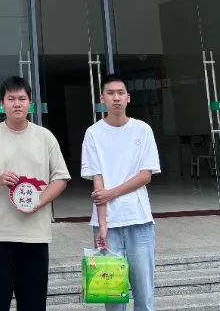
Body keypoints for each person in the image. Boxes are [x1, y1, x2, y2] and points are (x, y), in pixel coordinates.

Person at [0, 75, 70, 311]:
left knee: (33, 303)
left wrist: (40, 201)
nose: (17, 104)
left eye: (22, 98)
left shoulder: (45, 137)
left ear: (30, 103)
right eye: (11, 99)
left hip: (35, 234)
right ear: (2, 103)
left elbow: (60, 177)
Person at [81, 74, 160, 311]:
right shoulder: (93, 133)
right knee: (113, 296)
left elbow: (145, 175)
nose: (116, 97)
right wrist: (103, 224)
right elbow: (98, 180)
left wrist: (112, 193)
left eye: (120, 93)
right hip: (108, 225)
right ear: (102, 99)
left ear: (128, 98)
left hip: (139, 220)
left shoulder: (142, 130)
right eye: (110, 93)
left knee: (144, 293)